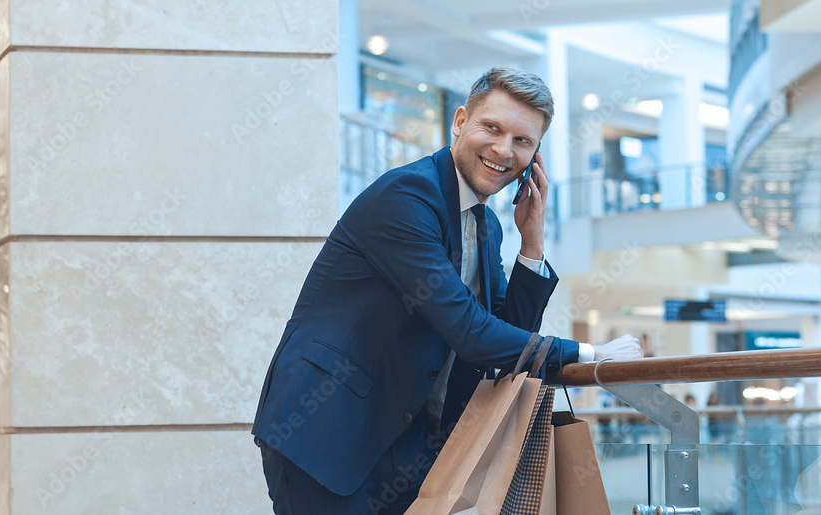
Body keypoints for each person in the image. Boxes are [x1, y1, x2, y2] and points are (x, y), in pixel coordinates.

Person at [251, 67, 644, 514]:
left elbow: (501, 339)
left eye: (522, 141)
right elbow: (472, 333)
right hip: (328, 433)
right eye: (491, 128)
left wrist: (531, 243)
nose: (503, 149)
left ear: (535, 157)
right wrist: (592, 353)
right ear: (460, 122)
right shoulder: (406, 198)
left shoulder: (487, 223)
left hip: (408, 445)